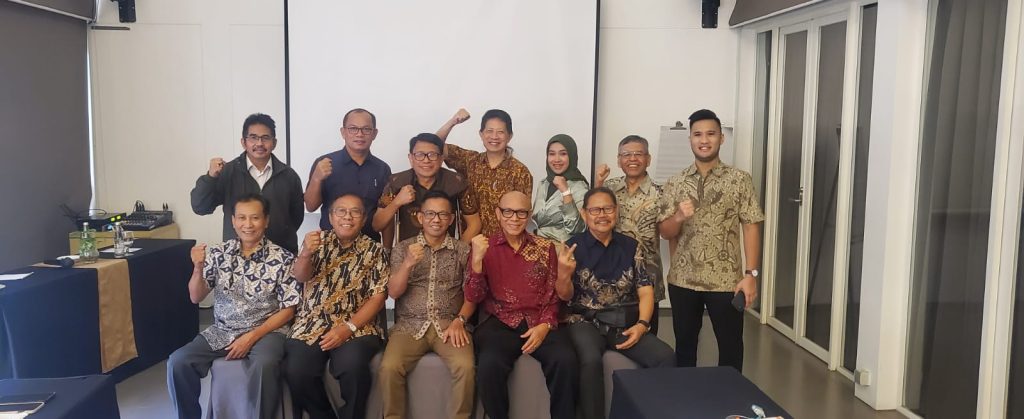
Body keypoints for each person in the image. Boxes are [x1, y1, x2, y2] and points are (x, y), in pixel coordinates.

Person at [167, 193, 301, 419]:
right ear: (233, 221)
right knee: (178, 362)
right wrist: (198, 268)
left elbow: (289, 310)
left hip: (266, 331)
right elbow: (196, 297)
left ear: (266, 221)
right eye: (242, 218)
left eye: (255, 218)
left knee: (265, 364)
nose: (248, 224)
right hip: (223, 329)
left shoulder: (284, 258)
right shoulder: (218, 253)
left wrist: (251, 337)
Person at [658, 109, 764, 371]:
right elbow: (665, 232)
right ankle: (687, 394)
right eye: (697, 135)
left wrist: (751, 274)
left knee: (730, 349)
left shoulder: (739, 180)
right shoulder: (675, 182)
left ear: (721, 138)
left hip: (726, 282)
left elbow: (751, 226)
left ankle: (729, 395)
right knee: (685, 349)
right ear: (690, 139)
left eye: (710, 134)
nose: (704, 140)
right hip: (683, 280)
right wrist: (679, 216)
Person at [564, 187, 675, 419]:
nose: (602, 215)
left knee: (665, 357)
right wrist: (564, 274)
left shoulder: (631, 246)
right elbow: (564, 296)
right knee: (590, 360)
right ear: (584, 213)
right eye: (595, 210)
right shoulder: (571, 247)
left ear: (616, 211)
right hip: (584, 321)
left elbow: (646, 291)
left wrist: (642, 325)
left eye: (608, 209)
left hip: (622, 323)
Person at [465, 191, 577, 419]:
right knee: (489, 365)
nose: (514, 218)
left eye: (521, 213)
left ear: (529, 215)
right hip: (501, 322)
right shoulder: (485, 247)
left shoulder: (545, 247)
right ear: (498, 213)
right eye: (508, 212)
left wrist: (545, 325)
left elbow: (553, 295)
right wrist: (476, 262)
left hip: (539, 320)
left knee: (565, 360)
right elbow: (474, 297)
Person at [284, 194, 389, 419]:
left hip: (358, 324)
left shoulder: (375, 250)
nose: (347, 217)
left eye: (355, 212)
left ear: (364, 219)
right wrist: (306, 253)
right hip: (312, 322)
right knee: (297, 371)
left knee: (353, 367)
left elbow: (378, 297)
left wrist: (347, 328)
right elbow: (301, 277)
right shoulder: (316, 242)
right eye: (341, 211)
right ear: (331, 217)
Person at [378, 191, 476, 419]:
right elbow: (393, 292)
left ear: (451, 219)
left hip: (450, 325)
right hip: (409, 326)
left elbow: (473, 294)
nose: (436, 220)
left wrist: (460, 321)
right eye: (430, 214)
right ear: (420, 217)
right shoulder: (403, 248)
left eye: (443, 214)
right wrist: (408, 264)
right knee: (389, 367)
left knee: (465, 367)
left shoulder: (463, 250)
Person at [191, 113, 304, 253]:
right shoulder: (228, 172)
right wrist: (210, 177)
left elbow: (296, 217)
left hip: (280, 256)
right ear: (243, 142)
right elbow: (200, 207)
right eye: (253, 138)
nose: (259, 143)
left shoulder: (289, 175)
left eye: (265, 138)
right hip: (237, 257)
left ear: (274, 143)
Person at [594, 135, 668, 333]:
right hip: (612, 273)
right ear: (619, 160)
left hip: (648, 273)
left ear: (648, 159)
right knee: (612, 333)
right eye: (626, 155)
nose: (632, 159)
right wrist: (598, 182)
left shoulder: (661, 193)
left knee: (647, 334)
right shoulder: (609, 187)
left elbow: (669, 232)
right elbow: (594, 215)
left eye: (638, 154)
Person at [373, 133, 481, 248]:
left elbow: (474, 224)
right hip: (407, 252)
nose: (426, 160)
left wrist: (458, 251)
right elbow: (377, 225)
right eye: (419, 155)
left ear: (441, 158)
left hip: (445, 252)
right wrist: (397, 202)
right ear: (411, 158)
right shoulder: (397, 182)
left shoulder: (456, 182)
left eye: (432, 155)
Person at [436, 108, 533, 237]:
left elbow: (522, 215)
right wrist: (453, 122)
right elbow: (433, 145)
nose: (494, 136)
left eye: (500, 132)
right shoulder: (470, 161)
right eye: (489, 131)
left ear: (509, 136)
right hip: (471, 242)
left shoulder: (520, 172)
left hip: (505, 243)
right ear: (481, 134)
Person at [304, 108, 392, 240]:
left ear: (374, 133)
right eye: (353, 129)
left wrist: (388, 249)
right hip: (331, 245)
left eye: (366, 129)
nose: (360, 134)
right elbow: (310, 206)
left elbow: (387, 213)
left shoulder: (382, 169)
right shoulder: (324, 163)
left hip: (370, 246)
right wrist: (316, 179)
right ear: (343, 132)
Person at [532, 134, 588, 243]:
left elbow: (577, 229)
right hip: (538, 246)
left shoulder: (580, 187)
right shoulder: (544, 183)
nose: (556, 159)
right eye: (552, 154)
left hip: (563, 248)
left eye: (563, 154)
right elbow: (538, 219)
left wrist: (565, 191)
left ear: (571, 156)